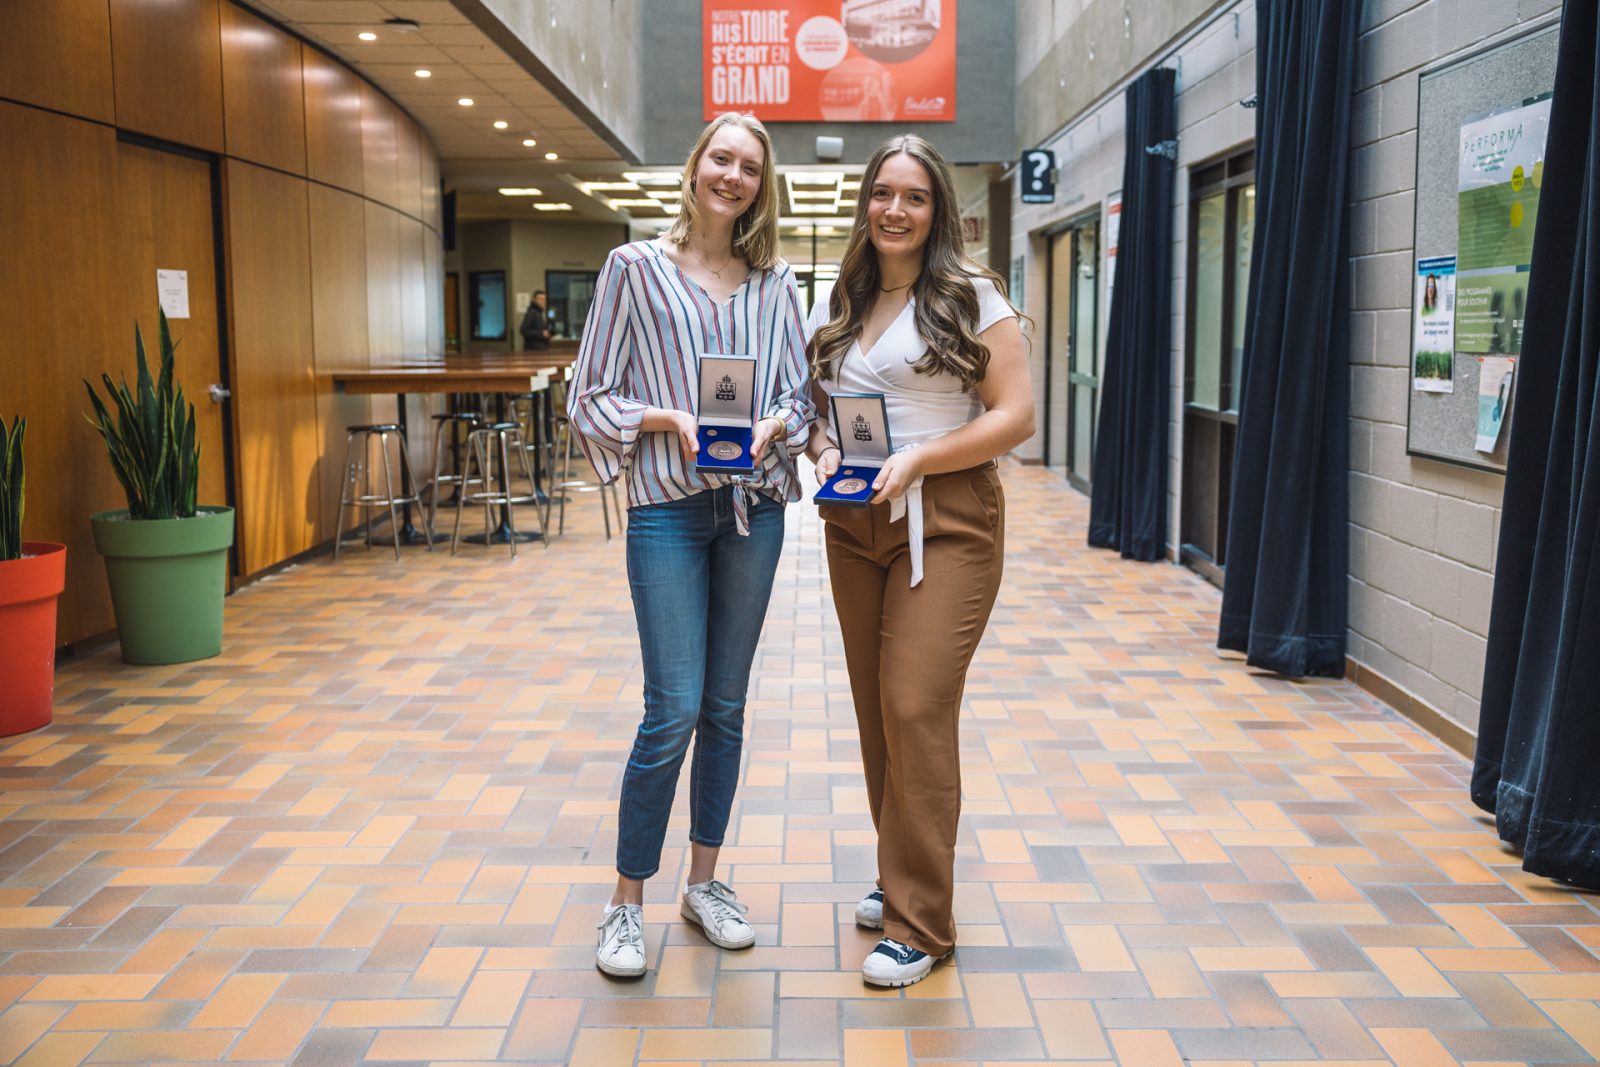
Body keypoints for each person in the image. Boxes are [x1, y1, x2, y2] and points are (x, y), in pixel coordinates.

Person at [566, 112, 814, 978]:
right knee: (670, 707)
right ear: (695, 164)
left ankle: (704, 883)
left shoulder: (776, 283)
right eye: (721, 158)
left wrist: (775, 424)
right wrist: (671, 418)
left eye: (750, 166)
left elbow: (801, 397)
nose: (734, 176)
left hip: (754, 511)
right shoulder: (634, 268)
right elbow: (589, 396)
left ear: (761, 182)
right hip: (669, 510)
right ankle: (625, 902)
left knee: (727, 707)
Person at [804, 133, 1034, 988]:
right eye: (882, 193)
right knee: (876, 710)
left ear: (937, 208)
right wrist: (825, 442)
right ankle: (897, 870)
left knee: (915, 703)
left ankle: (923, 923)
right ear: (866, 203)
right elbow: (832, 403)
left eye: (915, 196)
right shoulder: (850, 292)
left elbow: (1015, 415)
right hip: (856, 519)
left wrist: (922, 460)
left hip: (947, 519)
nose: (895, 210)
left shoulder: (972, 295)